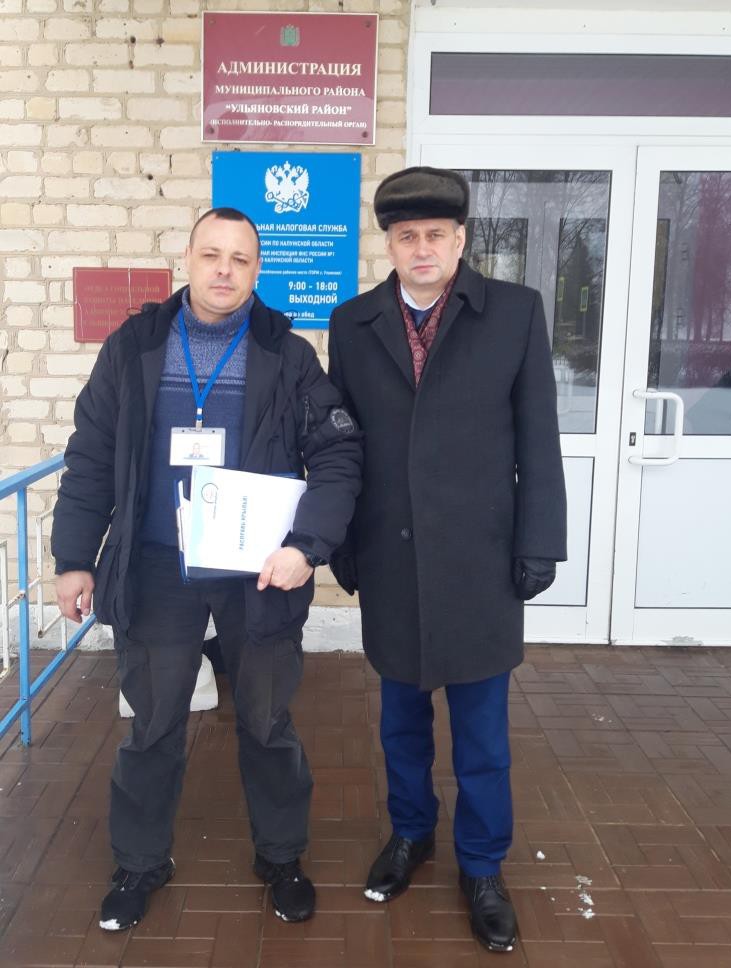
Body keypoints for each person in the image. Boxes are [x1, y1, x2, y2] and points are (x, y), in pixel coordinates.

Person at [51, 207, 362, 931]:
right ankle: (139, 862)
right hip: (158, 567)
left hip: (258, 570)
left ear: (257, 271)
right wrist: (73, 559)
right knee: (154, 721)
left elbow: (339, 455)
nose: (225, 270)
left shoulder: (287, 354)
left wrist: (306, 547)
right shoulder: (135, 347)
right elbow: (91, 454)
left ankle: (281, 857)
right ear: (187, 259)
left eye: (241, 259)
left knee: (267, 719)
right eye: (212, 254)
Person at [328, 167, 566, 953]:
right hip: (391, 560)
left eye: (436, 234)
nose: (422, 248)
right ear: (389, 244)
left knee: (482, 737)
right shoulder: (354, 323)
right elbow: (342, 445)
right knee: (400, 723)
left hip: (481, 563)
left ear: (461, 240)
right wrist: (342, 541)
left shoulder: (514, 313)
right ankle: (410, 833)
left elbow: (538, 438)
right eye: (407, 236)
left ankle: (483, 866)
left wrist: (540, 541)